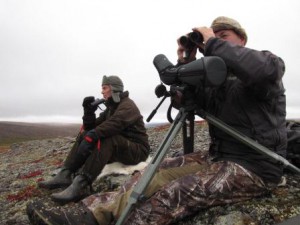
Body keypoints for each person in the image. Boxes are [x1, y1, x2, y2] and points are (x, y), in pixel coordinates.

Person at [27, 16, 287, 225]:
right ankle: (87, 214)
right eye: (212, 39)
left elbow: (263, 69)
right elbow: (185, 101)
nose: (215, 43)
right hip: (219, 157)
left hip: (257, 166)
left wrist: (212, 42)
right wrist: (186, 59)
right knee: (152, 173)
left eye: (224, 37)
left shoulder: (265, 68)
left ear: (241, 39)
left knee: (179, 190)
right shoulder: (215, 84)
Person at [37, 75, 150, 204]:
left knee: (108, 138)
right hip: (122, 148)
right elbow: (92, 128)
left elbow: (114, 124)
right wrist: (88, 113)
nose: (102, 92)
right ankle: (66, 174)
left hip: (138, 151)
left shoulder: (127, 106)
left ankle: (82, 184)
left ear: (114, 89)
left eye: (104, 88)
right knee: (86, 133)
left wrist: (92, 135)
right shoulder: (111, 108)